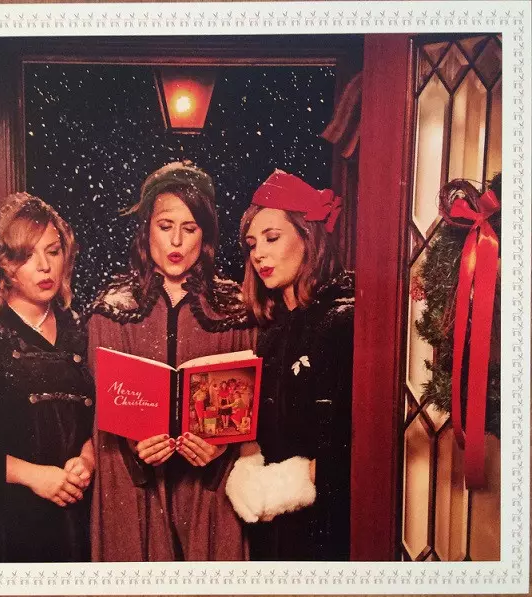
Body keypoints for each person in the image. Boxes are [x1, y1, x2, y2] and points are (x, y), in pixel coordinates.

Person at [86, 161, 254, 561]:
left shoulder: (236, 310)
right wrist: (132, 444)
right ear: (146, 229)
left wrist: (221, 450)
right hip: (134, 488)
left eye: (190, 228)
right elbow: (97, 417)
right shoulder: (112, 311)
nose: (176, 240)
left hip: (210, 490)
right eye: (165, 226)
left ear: (205, 234)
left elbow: (249, 413)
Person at [226, 169, 354, 561]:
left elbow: (357, 443)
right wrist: (248, 465)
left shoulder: (342, 320)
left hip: (325, 529)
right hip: (273, 533)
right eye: (252, 244)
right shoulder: (272, 332)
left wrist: (288, 484)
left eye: (272, 238)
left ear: (308, 237)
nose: (258, 254)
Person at [0, 193, 95, 563]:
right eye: (26, 256)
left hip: (78, 515)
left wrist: (88, 460)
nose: (44, 266)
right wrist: (33, 476)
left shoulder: (81, 328)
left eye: (53, 251)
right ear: (2, 262)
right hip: (8, 520)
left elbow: (96, 421)